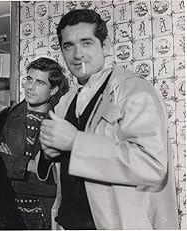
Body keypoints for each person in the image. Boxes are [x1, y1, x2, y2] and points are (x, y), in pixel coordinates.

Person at [38, 9, 179, 230]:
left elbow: (153, 164)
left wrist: (76, 142)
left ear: (105, 45)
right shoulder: (65, 102)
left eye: (86, 43)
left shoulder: (133, 89)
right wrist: (48, 154)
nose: (77, 54)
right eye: (68, 46)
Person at [0, 57, 69, 230]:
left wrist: (10, 160)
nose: (30, 87)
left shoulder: (62, 121)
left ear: (53, 90)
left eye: (39, 82)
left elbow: (55, 179)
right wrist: (31, 165)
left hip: (45, 213)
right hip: (6, 211)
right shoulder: (7, 115)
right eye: (29, 79)